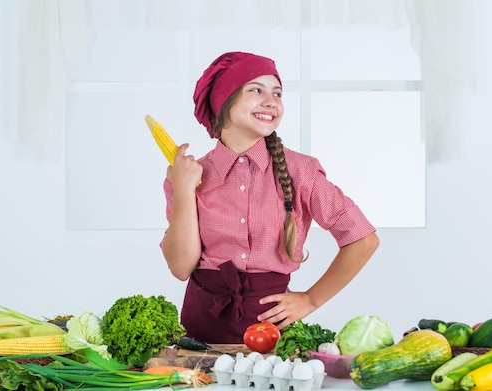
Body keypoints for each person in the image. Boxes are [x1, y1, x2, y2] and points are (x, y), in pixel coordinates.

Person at [160, 51, 379, 344]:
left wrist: (311, 300)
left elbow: (362, 237)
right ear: (223, 101)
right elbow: (180, 267)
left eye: (277, 93)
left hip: (273, 338)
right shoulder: (188, 175)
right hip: (199, 338)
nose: (271, 101)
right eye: (256, 90)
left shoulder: (301, 171)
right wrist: (185, 190)